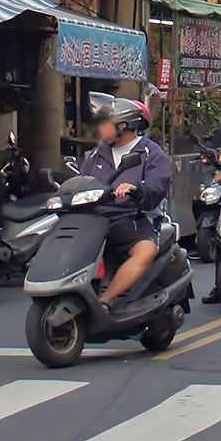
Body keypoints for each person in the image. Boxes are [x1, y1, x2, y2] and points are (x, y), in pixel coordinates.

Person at [74, 97, 170, 311]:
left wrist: (137, 189)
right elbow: (83, 181)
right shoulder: (97, 154)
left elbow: (157, 186)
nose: (100, 128)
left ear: (123, 125)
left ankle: (105, 301)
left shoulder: (151, 154)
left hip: (134, 218)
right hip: (96, 219)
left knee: (145, 251)